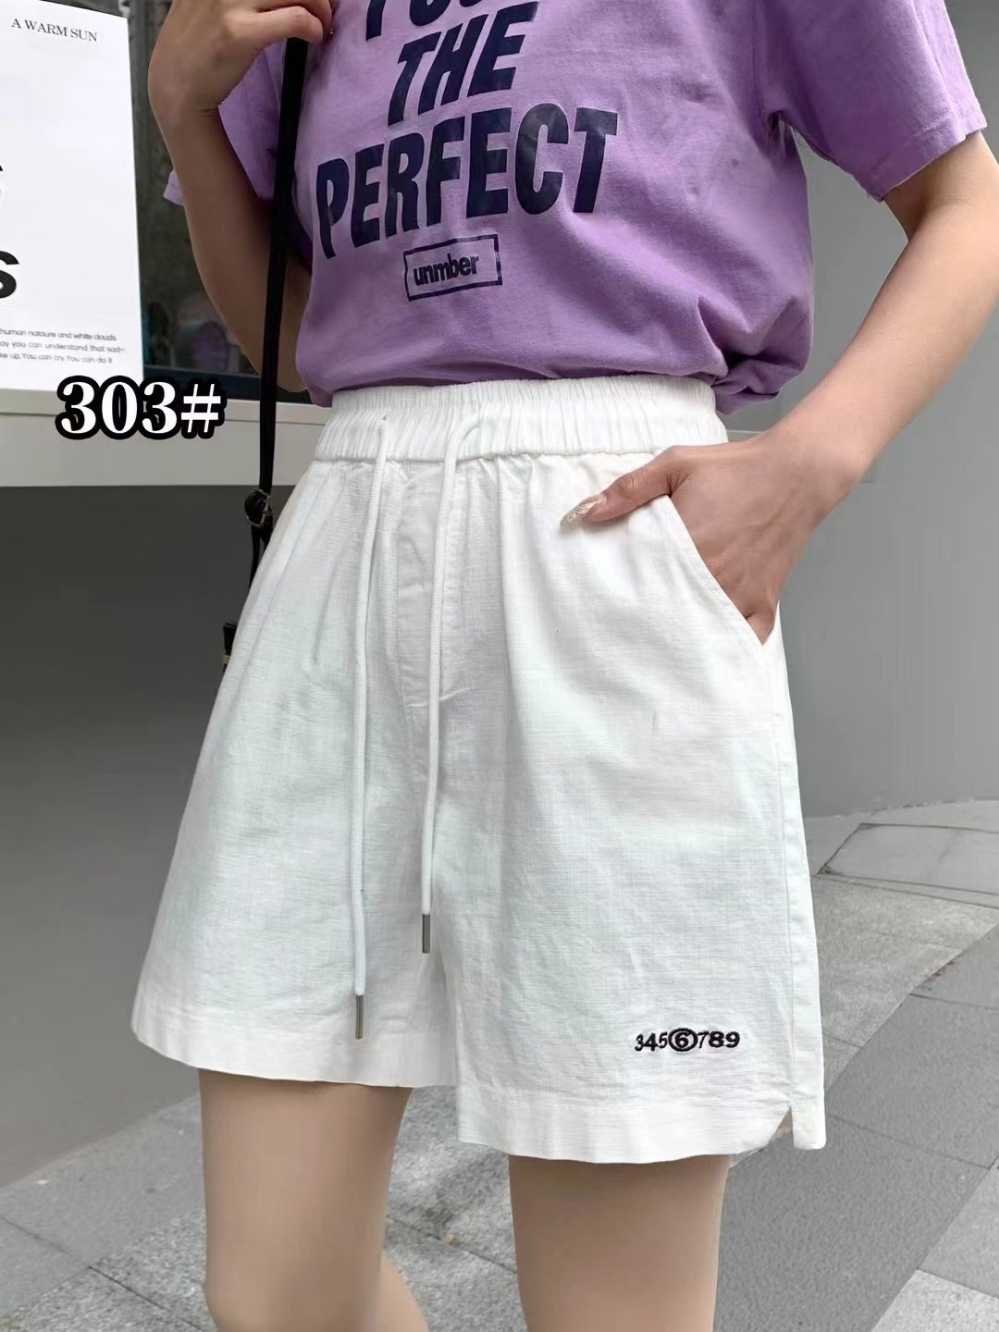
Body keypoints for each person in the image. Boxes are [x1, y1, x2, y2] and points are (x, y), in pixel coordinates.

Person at [130, 1, 998, 1328]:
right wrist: (185, 109)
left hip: (608, 535)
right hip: (350, 534)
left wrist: (810, 466)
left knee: (615, 1305)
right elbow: (295, 343)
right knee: (275, 1297)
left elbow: (966, 200)